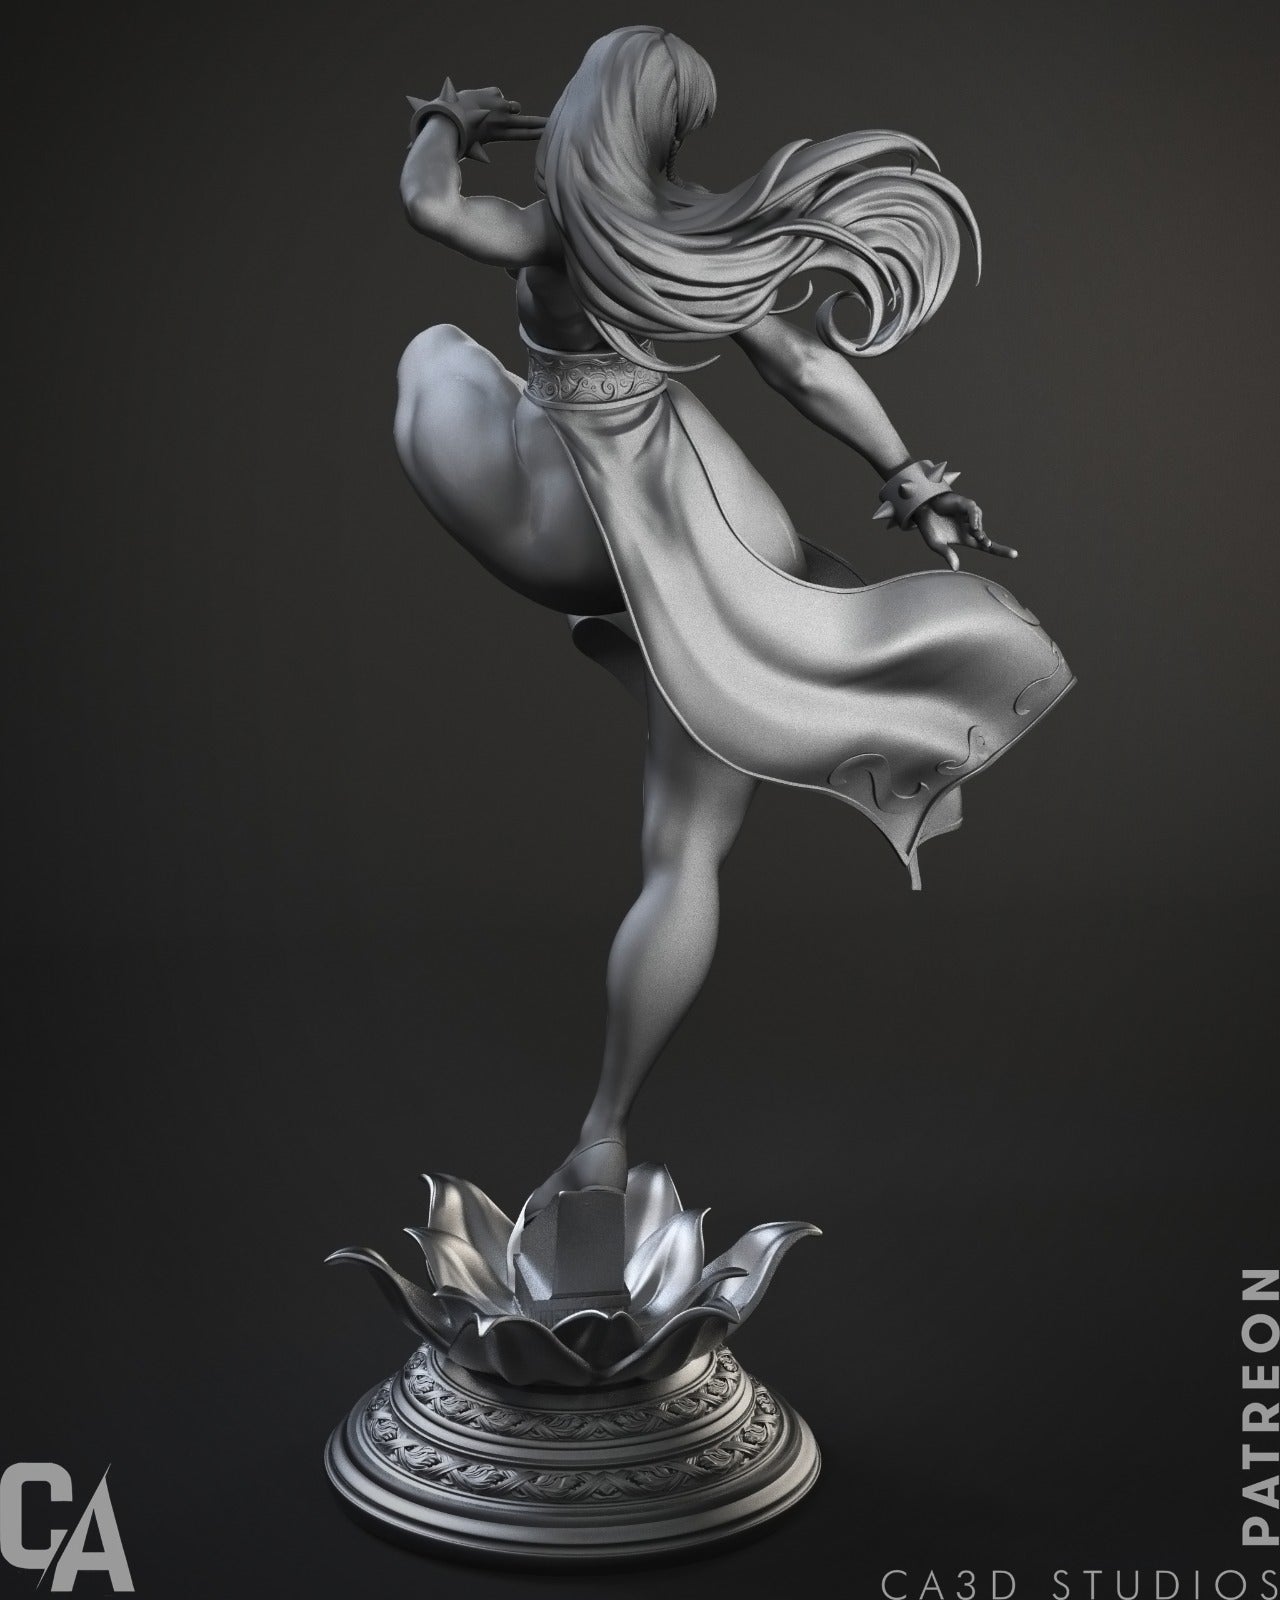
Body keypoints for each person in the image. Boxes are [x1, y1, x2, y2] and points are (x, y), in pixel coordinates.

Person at [392, 27, 1073, 1216]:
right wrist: (910, 479)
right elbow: (801, 367)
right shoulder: (693, 228)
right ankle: (603, 1126)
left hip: (574, 517)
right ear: (666, 130)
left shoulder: (555, 226)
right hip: (703, 518)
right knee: (685, 850)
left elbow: (431, 206)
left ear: (587, 108)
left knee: (436, 360)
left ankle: (601, 1141)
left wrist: (447, 118)